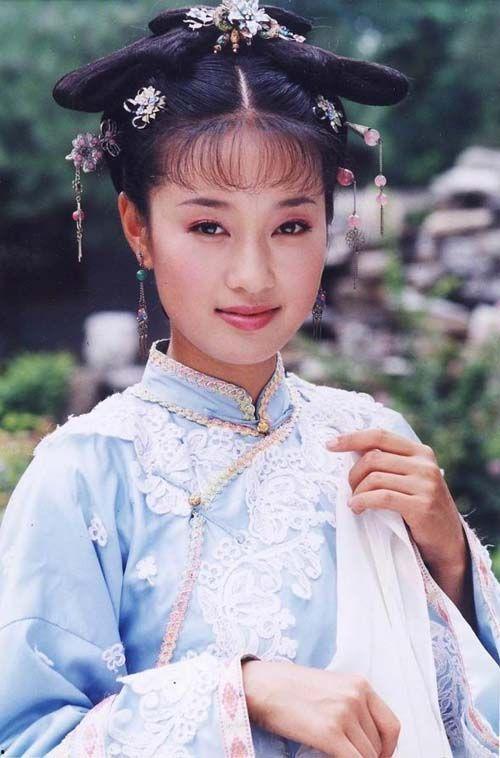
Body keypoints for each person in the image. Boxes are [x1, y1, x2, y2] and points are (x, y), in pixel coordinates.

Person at [0, 3, 498, 756]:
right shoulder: (86, 473)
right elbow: (29, 738)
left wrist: (451, 562)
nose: (253, 274)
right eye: (208, 226)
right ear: (138, 228)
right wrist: (241, 690)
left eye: (291, 226)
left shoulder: (371, 442)